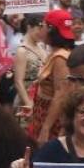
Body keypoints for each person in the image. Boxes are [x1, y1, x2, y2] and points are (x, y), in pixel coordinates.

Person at [29, 9, 77, 144]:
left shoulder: (61, 58)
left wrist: (46, 128)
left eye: (42, 25)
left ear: (51, 29)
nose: (41, 29)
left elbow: (61, 94)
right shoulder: (56, 53)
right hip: (42, 114)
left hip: (51, 119)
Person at [13, 14, 48, 123]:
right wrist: (28, 103)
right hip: (27, 98)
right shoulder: (22, 50)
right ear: (29, 27)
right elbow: (18, 81)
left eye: (44, 29)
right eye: (39, 28)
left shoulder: (42, 47)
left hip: (41, 97)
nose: (42, 32)